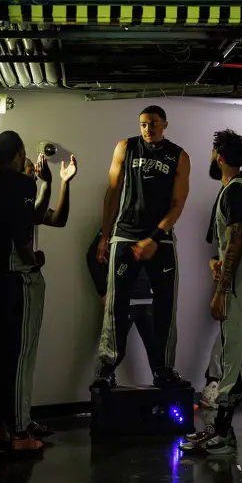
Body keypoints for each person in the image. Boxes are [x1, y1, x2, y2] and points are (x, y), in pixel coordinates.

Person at [0, 132, 74, 451]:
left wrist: (54, 184)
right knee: (21, 356)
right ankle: (20, 432)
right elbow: (22, 237)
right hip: (17, 280)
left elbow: (46, 217)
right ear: (20, 153)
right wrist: (33, 263)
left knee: (5, 356)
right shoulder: (19, 186)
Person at [93, 105, 192, 390]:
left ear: (165, 124)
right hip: (124, 235)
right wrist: (104, 235)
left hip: (160, 239)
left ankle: (164, 370)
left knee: (165, 306)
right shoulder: (126, 147)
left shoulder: (179, 156)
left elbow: (178, 204)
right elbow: (112, 192)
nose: (148, 129)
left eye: (154, 124)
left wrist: (154, 237)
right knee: (115, 304)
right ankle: (107, 368)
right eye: (144, 124)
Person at [181, 129, 242, 456]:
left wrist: (221, 289)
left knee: (234, 363)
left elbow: (238, 241)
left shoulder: (236, 191)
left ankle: (223, 434)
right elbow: (227, 244)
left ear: (220, 156)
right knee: (231, 358)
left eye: (213, 151)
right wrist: (217, 261)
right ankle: (219, 430)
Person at [86, 229, 159, 381]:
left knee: (157, 348)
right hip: (122, 297)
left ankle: (162, 381)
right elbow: (92, 257)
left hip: (148, 297)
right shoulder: (116, 228)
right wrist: (103, 291)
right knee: (113, 348)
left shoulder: (154, 230)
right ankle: (104, 381)